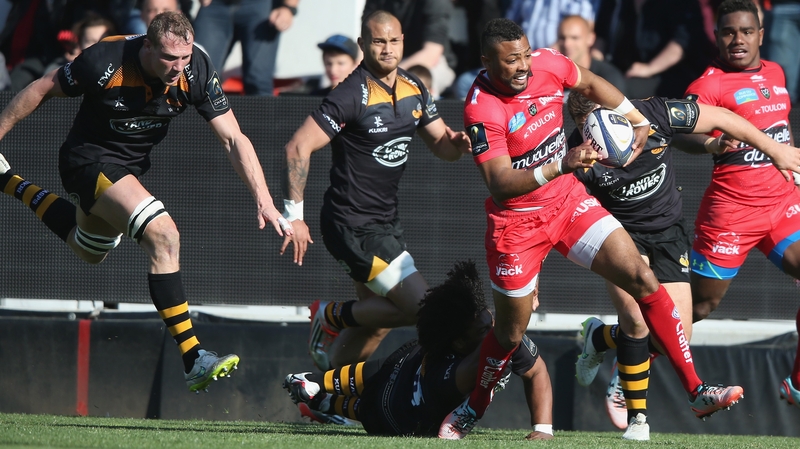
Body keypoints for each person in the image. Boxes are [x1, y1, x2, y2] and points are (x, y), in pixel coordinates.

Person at [438, 18, 745, 440]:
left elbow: (593, 83)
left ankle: (696, 390)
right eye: (512, 60)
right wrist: (562, 163)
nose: (525, 66)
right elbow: (500, 184)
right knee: (510, 332)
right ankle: (475, 404)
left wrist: (636, 119)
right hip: (517, 224)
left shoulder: (548, 63)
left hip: (567, 203)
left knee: (642, 278)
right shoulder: (481, 107)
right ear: (487, 60)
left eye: (526, 54)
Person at [0, 11, 291, 393]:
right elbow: (41, 88)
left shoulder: (196, 68)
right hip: (87, 162)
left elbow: (234, 138)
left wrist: (265, 201)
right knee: (164, 235)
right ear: (148, 46)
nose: (178, 68)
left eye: (185, 58)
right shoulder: (106, 60)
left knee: (90, 250)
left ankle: (7, 181)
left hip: (128, 171)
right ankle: (193, 357)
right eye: (170, 58)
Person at [567, 92, 800, 439]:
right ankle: (639, 421)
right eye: (589, 132)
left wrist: (775, 149)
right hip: (618, 233)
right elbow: (551, 213)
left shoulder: (654, 113)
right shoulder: (575, 156)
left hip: (668, 233)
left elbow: (722, 116)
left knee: (676, 335)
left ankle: (599, 338)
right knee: (635, 319)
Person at [278, 10, 471, 372]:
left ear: (403, 42)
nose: (387, 49)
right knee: (423, 309)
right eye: (378, 41)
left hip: (383, 222)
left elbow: (443, 149)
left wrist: (457, 144)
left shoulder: (415, 88)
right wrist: (294, 218)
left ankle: (323, 395)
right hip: (351, 225)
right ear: (363, 45)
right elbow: (297, 147)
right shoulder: (351, 94)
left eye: (393, 40)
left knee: (378, 321)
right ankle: (330, 315)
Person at [671, 0, 800, 410]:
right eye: (728, 32)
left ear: (761, 34)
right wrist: (711, 140)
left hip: (782, 205)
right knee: (699, 307)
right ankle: (618, 345)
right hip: (732, 212)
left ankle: (797, 383)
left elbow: (782, 129)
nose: (737, 39)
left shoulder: (777, 73)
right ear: (717, 37)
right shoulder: (709, 84)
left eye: (746, 31)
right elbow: (681, 131)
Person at [282, 260, 554, 440]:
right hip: (397, 404)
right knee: (371, 395)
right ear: (459, 342)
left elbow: (537, 372)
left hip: (400, 389)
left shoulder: (494, 336)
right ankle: (313, 384)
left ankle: (317, 395)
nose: (494, 327)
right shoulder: (452, 374)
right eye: (484, 329)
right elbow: (487, 358)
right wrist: (519, 303)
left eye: (491, 321)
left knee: (365, 398)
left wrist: (543, 430)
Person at [192, 0, 300, 96]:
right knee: (198, 77)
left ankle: (262, 118)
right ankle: (191, 118)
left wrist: (289, 7)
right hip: (215, 6)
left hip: (261, 6)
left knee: (258, 80)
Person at [362, 0, 457, 100]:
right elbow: (366, 42)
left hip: (431, 62)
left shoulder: (436, 2)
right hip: (389, 58)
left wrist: (388, 74)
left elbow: (432, 52)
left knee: (421, 80)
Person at [556, 15, 626, 95]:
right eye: (562, 38)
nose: (567, 44)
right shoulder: (552, 78)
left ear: (590, 39)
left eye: (574, 38)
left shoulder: (609, 78)